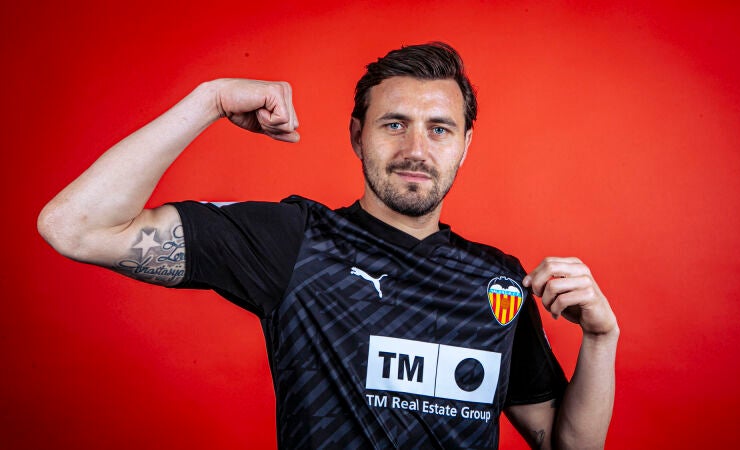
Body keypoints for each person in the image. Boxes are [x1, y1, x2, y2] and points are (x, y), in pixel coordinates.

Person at [38, 42, 618, 449]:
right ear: (357, 135)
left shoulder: (498, 282)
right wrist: (208, 100)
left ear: (464, 145)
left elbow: (567, 445)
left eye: (439, 129)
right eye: (394, 124)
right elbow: (76, 227)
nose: (416, 149)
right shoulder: (293, 242)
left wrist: (600, 339)